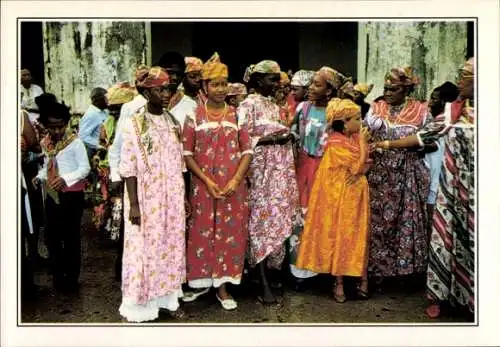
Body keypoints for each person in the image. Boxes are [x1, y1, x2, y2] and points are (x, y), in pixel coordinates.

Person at [371, 58, 475, 319]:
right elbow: (425, 136)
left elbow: (424, 143)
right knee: (451, 236)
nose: (459, 80)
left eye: (465, 75)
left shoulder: (425, 110)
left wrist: (390, 146)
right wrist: (385, 146)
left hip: (477, 186)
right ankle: (448, 297)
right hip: (455, 187)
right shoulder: (454, 112)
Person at [182, 53, 253, 310]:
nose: (221, 89)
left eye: (224, 83)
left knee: (228, 232)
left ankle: (222, 287)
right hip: (203, 186)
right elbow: (187, 154)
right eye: (215, 84)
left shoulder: (238, 115)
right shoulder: (194, 116)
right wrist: (205, 181)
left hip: (232, 187)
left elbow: (247, 151)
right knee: (202, 232)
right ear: (204, 87)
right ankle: (202, 284)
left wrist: (235, 180)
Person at [118, 66, 186, 322]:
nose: (166, 93)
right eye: (159, 89)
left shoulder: (172, 122)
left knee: (169, 245)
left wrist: (184, 199)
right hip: (146, 199)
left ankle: (167, 299)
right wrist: (134, 204)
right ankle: (141, 305)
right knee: (145, 247)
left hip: (172, 197)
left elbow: (179, 164)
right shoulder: (135, 123)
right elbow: (129, 167)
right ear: (147, 92)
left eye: (168, 88)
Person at [295, 99, 371, 303]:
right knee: (341, 235)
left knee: (359, 234)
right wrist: (363, 148)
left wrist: (362, 162)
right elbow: (357, 167)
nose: (361, 122)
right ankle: (338, 283)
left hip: (357, 195)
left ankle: (362, 278)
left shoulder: (354, 137)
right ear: (345, 123)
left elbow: (366, 165)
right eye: (357, 119)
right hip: (341, 198)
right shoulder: (336, 142)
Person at [237, 60, 299, 305]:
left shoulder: (275, 106)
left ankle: (270, 274)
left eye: (278, 79)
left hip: (279, 174)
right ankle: (261, 280)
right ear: (257, 80)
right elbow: (242, 141)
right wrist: (273, 140)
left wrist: (284, 139)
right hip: (260, 174)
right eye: (272, 79)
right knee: (260, 223)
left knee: (277, 219)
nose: (277, 83)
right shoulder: (246, 105)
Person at [364, 67, 430, 286]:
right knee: (378, 221)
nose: (388, 93)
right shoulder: (377, 106)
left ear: (406, 89)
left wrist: (398, 145)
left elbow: (429, 141)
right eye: (386, 88)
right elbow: (365, 133)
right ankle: (377, 272)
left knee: (405, 220)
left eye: (394, 89)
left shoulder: (421, 110)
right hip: (379, 175)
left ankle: (404, 273)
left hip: (407, 174)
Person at [33, 99, 90, 293]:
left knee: (71, 237)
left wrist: (65, 179)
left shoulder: (75, 143)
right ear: (46, 126)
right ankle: (58, 276)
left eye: (61, 127)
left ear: (66, 124)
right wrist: (40, 177)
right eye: (52, 128)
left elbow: (84, 168)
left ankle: (71, 278)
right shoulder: (46, 144)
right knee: (51, 237)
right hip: (51, 195)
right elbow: (47, 165)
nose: (57, 132)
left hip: (71, 196)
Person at [288, 67, 335, 287]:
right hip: (304, 168)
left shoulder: (337, 112)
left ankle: (323, 270)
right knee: (301, 218)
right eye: (311, 84)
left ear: (329, 90)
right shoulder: (303, 108)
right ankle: (300, 272)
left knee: (324, 218)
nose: (310, 88)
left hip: (327, 171)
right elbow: (293, 135)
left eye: (317, 84)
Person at [108, 65, 149, 282]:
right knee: (132, 226)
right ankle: (129, 274)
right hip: (134, 176)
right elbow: (119, 145)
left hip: (160, 179)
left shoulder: (170, 105)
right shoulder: (131, 107)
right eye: (142, 80)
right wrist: (116, 175)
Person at [91, 82, 136, 239]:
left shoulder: (134, 121)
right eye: (112, 108)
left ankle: (120, 232)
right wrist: (99, 156)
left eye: (119, 108)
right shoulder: (108, 122)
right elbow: (103, 144)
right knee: (107, 200)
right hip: (108, 168)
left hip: (128, 167)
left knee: (123, 201)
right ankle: (108, 230)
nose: (115, 112)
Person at [422, 82, 459, 235]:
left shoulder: (442, 120)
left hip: (436, 182)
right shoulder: (446, 119)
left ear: (444, 102)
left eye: (434, 99)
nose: (430, 103)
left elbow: (418, 140)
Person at [21, 110, 42, 299]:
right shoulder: (20, 115)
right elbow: (34, 144)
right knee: (26, 224)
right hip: (20, 177)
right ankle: (25, 282)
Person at [169, 56, 204, 129]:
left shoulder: (204, 99)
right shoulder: (175, 101)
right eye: (193, 76)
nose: (197, 79)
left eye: (200, 76)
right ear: (183, 77)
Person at [78, 87, 109, 158]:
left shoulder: (104, 111)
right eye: (105, 98)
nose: (108, 100)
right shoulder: (91, 114)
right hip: (94, 151)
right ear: (97, 100)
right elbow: (83, 135)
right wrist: (98, 145)